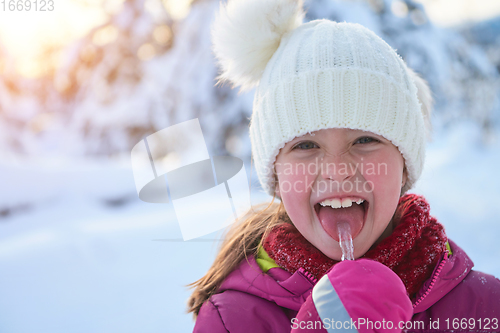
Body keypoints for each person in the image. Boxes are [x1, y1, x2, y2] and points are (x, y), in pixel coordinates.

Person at [188, 0, 500, 331]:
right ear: (276, 175)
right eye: (306, 145)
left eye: (364, 140)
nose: (337, 170)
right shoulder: (232, 320)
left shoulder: (484, 308)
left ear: (405, 166)